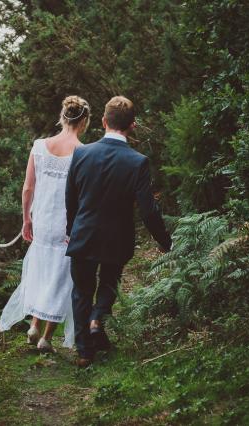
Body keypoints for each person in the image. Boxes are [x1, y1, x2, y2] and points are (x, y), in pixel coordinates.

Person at [65, 95, 172, 367]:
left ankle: (84, 352)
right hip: (117, 238)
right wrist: (165, 241)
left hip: (84, 234)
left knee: (81, 290)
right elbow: (149, 211)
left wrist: (71, 229)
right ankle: (97, 318)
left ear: (103, 121)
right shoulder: (137, 162)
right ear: (132, 126)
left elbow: (71, 198)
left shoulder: (82, 153)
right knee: (109, 282)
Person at [0, 96, 91, 352]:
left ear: (63, 116)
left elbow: (28, 187)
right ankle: (46, 338)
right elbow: (83, 193)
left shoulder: (39, 146)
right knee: (60, 277)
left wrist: (26, 218)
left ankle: (33, 325)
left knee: (40, 271)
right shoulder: (83, 152)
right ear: (84, 121)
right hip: (67, 225)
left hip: (42, 220)